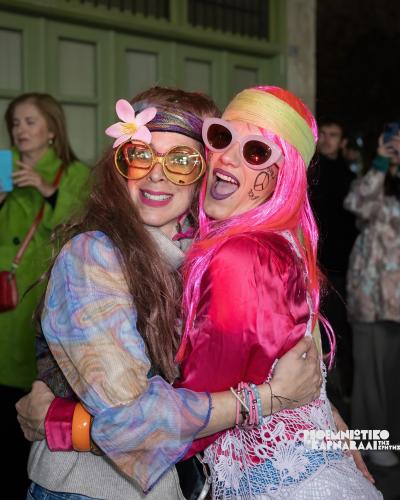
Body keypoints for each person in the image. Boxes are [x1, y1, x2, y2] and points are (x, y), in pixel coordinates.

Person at [17, 87, 323, 500]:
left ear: (206, 172)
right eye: (140, 155)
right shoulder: (92, 258)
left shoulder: (214, 255)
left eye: (181, 160)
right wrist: (267, 399)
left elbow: (288, 358)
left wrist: (331, 425)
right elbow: (133, 420)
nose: (156, 175)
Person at [172, 86, 382, 498]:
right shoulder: (282, 242)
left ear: (281, 178)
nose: (226, 157)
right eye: (221, 136)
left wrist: (81, 428)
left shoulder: (241, 255)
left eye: (256, 152)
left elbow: (194, 411)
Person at [0, 92, 89, 498]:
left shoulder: (74, 173)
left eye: (30, 121)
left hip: (43, 299)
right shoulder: (5, 170)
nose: (20, 130)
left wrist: (48, 190)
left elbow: (84, 226)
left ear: (52, 129)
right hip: (5, 300)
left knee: (33, 409)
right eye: (15, 123)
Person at [345, 130, 400, 468]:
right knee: (370, 375)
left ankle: (392, 436)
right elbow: (357, 203)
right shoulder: (372, 181)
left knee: (392, 375)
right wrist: (381, 163)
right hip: (371, 297)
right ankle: (372, 441)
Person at [307, 118, 358, 404]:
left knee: (335, 330)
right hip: (310, 264)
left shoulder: (349, 178)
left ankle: (337, 394)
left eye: (333, 135)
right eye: (323, 134)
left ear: (343, 141)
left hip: (337, 268)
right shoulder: (309, 171)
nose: (326, 139)